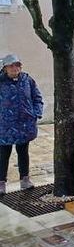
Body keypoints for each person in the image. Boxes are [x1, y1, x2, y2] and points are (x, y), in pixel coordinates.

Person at [0, 54, 43, 195]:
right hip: (4, 126)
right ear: (4, 68)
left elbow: (37, 98)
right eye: (11, 66)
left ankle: (25, 180)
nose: (15, 68)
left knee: (23, 152)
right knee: (3, 154)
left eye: (17, 65)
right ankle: (1, 183)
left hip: (25, 125)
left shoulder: (27, 80)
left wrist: (36, 113)